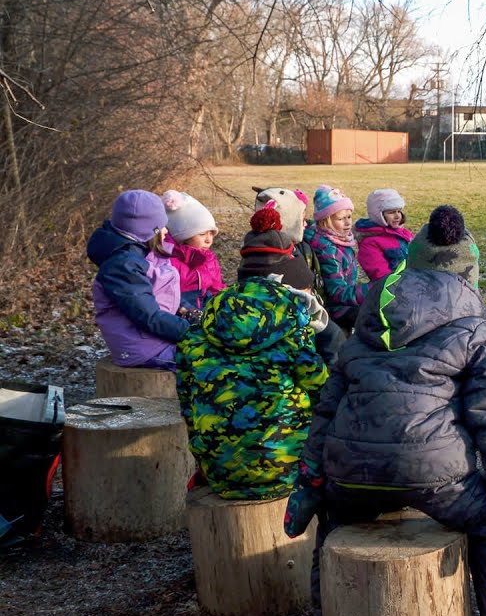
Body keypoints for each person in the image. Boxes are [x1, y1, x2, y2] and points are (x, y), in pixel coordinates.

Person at [285, 205, 486, 616]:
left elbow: (329, 403)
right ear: (468, 273)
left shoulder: (370, 318)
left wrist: (311, 478)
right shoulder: (473, 324)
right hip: (435, 473)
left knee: (332, 526)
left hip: (351, 470)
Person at [175, 204, 328, 500]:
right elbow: (321, 389)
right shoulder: (292, 328)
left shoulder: (200, 330)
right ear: (290, 285)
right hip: (287, 470)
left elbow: (187, 406)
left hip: (219, 471)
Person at [86, 190, 191, 370]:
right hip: (145, 349)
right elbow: (149, 317)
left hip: (156, 339)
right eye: (161, 226)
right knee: (216, 363)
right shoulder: (122, 266)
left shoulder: (137, 252)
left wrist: (190, 313)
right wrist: (196, 332)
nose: (166, 231)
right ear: (147, 231)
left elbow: (161, 294)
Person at [255, 187, 344, 365]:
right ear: (288, 223)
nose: (305, 224)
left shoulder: (262, 246)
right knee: (333, 336)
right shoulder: (275, 254)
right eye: (301, 220)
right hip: (291, 321)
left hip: (292, 316)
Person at [305, 185, 367, 332]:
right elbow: (337, 292)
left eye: (349, 217)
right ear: (324, 222)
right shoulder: (328, 250)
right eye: (341, 219)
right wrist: (370, 289)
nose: (348, 223)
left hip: (346, 301)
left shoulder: (339, 240)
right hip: (337, 309)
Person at [161, 190, 225, 311]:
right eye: (202, 234)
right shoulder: (168, 260)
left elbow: (217, 287)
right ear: (182, 236)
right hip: (181, 312)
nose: (209, 240)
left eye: (212, 233)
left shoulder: (209, 258)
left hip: (208, 308)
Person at [355, 188, 414, 281]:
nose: (397, 216)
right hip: (395, 288)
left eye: (399, 211)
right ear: (378, 214)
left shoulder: (404, 233)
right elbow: (381, 276)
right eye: (391, 212)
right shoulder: (370, 242)